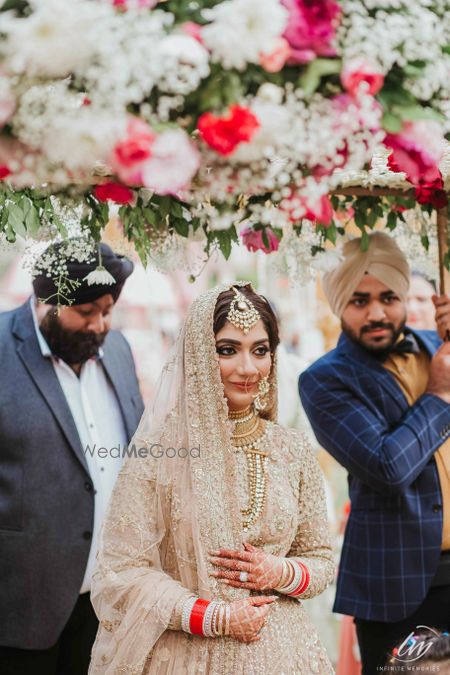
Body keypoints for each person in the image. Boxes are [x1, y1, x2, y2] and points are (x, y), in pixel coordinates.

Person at [89, 282, 335, 674]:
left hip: (284, 653)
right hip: (187, 653)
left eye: (260, 350)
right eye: (227, 350)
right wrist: (214, 616)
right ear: (199, 354)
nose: (247, 368)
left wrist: (280, 571)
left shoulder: (293, 450)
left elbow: (321, 558)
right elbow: (122, 572)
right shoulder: (159, 452)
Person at [299, 232, 450, 675]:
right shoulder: (325, 380)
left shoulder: (438, 348)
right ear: (339, 304)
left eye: (389, 297)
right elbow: (387, 467)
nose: (377, 312)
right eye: (360, 300)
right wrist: (439, 395)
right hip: (401, 587)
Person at [0, 241, 144, 675]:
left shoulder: (117, 349)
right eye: (86, 313)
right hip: (20, 609)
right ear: (48, 300)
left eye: (108, 310)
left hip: (107, 603)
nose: (100, 325)